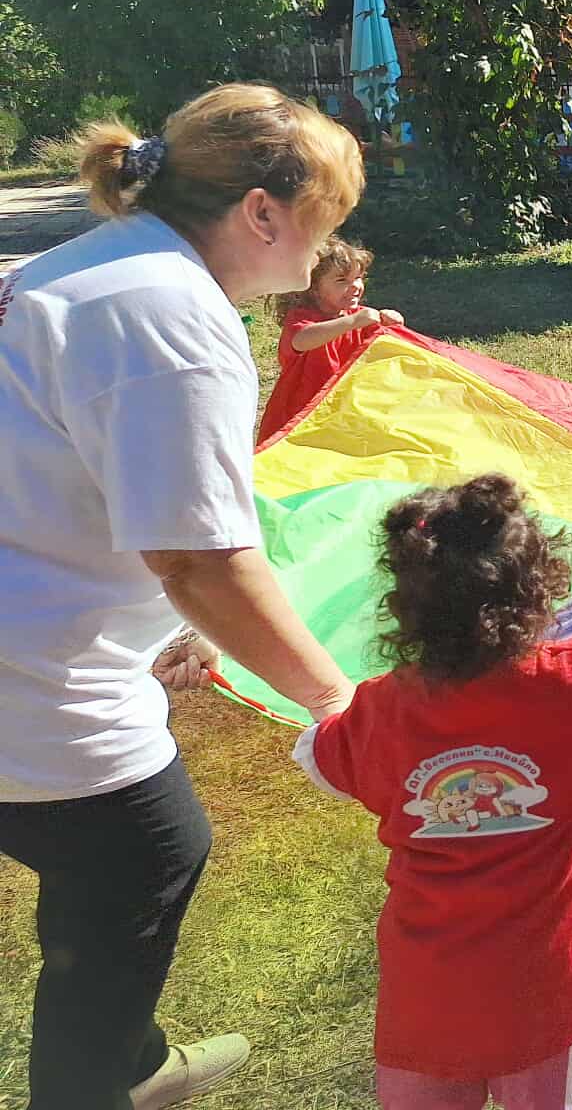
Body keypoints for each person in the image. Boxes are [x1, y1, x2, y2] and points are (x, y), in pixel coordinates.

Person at [0, 85, 364, 1109]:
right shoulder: (175, 318)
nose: (320, 250)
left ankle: (129, 1061)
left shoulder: (90, 266)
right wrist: (341, 704)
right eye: (323, 219)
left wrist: (173, 627)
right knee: (144, 853)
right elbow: (200, 560)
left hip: (28, 633)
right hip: (29, 671)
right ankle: (96, 1085)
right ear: (261, 211)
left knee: (103, 871)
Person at [291, 477, 572, 1110]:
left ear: (406, 608)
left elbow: (317, 758)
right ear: (538, 591)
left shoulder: (381, 714)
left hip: (424, 985)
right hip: (539, 983)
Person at [257, 235, 403, 442]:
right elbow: (301, 340)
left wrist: (393, 322)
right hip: (302, 411)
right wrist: (352, 322)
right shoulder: (303, 318)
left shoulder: (359, 317)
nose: (355, 286)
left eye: (359, 277)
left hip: (343, 406)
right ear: (313, 288)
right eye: (342, 280)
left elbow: (385, 349)